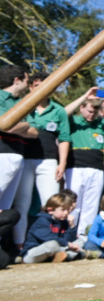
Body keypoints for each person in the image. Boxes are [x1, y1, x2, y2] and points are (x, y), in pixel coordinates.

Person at [0, 65, 39, 248]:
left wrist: (17, 125)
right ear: (17, 80)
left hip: (18, 155)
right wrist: (21, 125)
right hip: (2, 154)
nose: (28, 84)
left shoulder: (23, 103)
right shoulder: (0, 97)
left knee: (7, 206)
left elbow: (34, 131)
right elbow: (3, 125)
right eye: (26, 79)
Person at [64, 91, 104, 238]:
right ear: (82, 108)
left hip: (96, 168)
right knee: (73, 203)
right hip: (76, 167)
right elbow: (64, 112)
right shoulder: (73, 121)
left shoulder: (101, 123)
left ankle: (85, 237)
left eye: (95, 111)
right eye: (90, 111)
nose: (92, 114)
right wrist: (84, 96)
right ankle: (69, 234)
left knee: (91, 205)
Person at [23, 73, 71, 208]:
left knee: (51, 204)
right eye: (37, 86)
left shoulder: (59, 110)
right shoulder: (20, 106)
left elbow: (64, 138)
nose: (42, 90)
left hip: (48, 161)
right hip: (23, 160)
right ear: (31, 87)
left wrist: (62, 163)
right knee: (22, 204)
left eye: (46, 86)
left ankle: (50, 229)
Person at [21, 193, 83, 263]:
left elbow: (69, 240)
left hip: (55, 250)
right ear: (50, 210)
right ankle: (71, 254)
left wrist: (72, 226)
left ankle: (66, 256)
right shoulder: (41, 221)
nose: (66, 213)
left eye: (68, 210)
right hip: (33, 254)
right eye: (63, 210)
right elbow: (49, 238)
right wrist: (68, 244)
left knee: (80, 241)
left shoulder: (64, 221)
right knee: (52, 244)